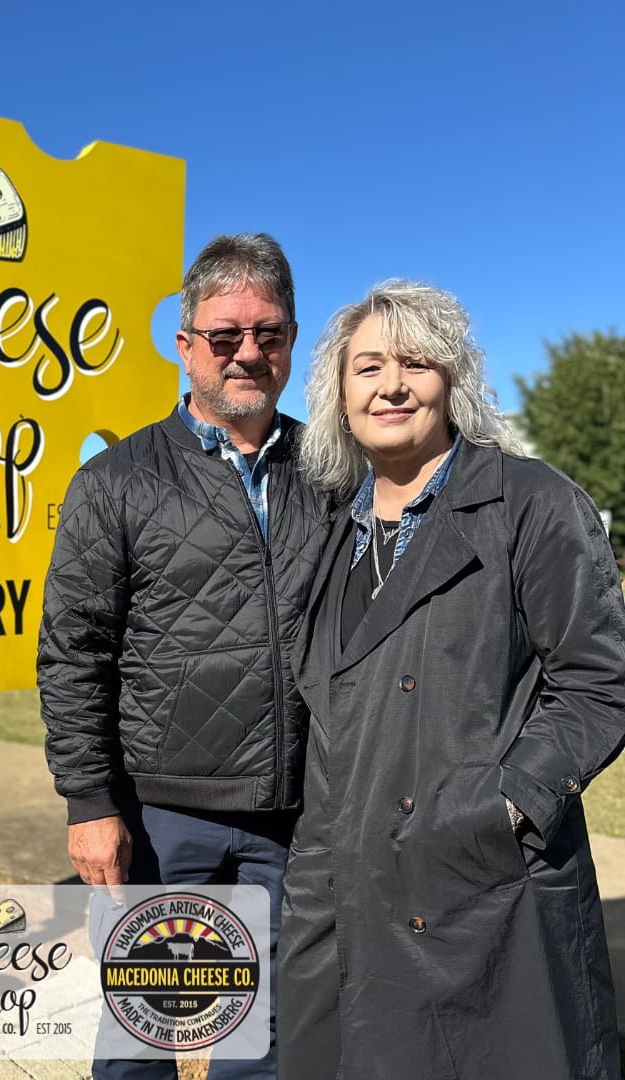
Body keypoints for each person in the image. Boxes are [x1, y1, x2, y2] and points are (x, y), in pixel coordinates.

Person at [277, 280, 625, 1079]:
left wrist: (503, 806)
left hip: (482, 884)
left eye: (416, 363)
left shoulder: (532, 503)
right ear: (340, 396)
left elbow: (599, 682)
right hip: (341, 883)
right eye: (368, 367)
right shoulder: (334, 529)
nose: (391, 385)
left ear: (453, 381)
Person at [37, 232, 331, 1080]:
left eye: (268, 334)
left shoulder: (329, 470)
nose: (248, 353)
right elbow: (73, 651)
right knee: (143, 1034)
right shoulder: (117, 481)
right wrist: (90, 802)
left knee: (266, 1040)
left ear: (290, 340)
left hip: (297, 812)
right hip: (164, 819)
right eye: (225, 335)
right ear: (185, 344)